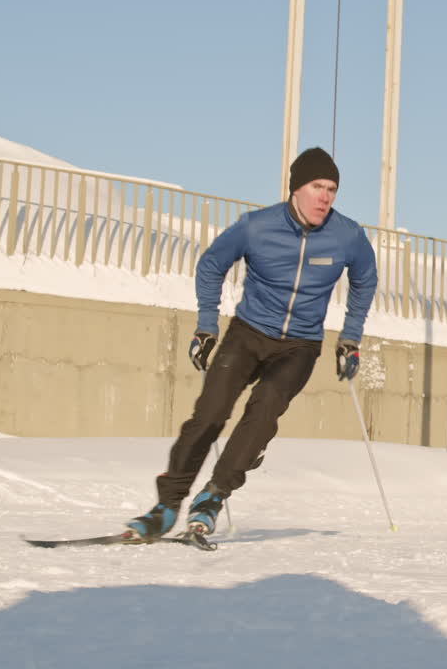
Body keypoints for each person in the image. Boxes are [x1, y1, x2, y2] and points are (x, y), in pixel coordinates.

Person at [126, 147, 378, 539]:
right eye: (317, 187)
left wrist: (350, 337)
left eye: (332, 189)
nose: (325, 197)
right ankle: (166, 505)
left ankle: (213, 496)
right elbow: (211, 264)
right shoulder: (256, 227)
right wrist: (206, 326)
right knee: (209, 415)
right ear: (296, 189)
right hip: (248, 333)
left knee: (262, 415)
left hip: (300, 345)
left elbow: (365, 279)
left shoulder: (347, 236)